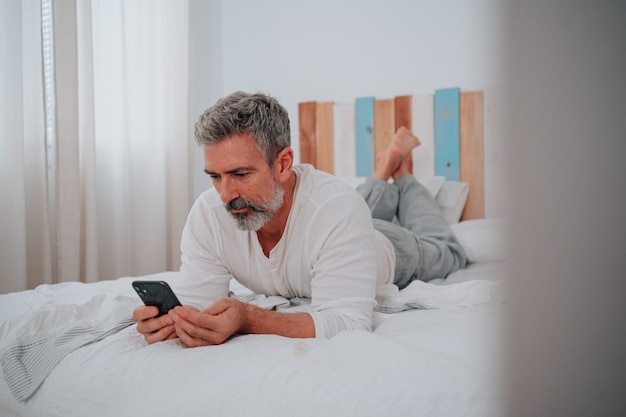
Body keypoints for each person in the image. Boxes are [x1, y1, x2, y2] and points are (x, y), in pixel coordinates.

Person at [133, 91, 466, 347]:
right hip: (340, 229)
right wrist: (174, 321)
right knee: (352, 207)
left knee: (448, 250)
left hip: (388, 247)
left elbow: (347, 322)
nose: (224, 194)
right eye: (215, 176)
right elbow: (197, 303)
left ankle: (403, 175)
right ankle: (382, 171)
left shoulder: (337, 208)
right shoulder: (209, 213)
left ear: (283, 164)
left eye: (240, 174)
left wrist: (250, 318)